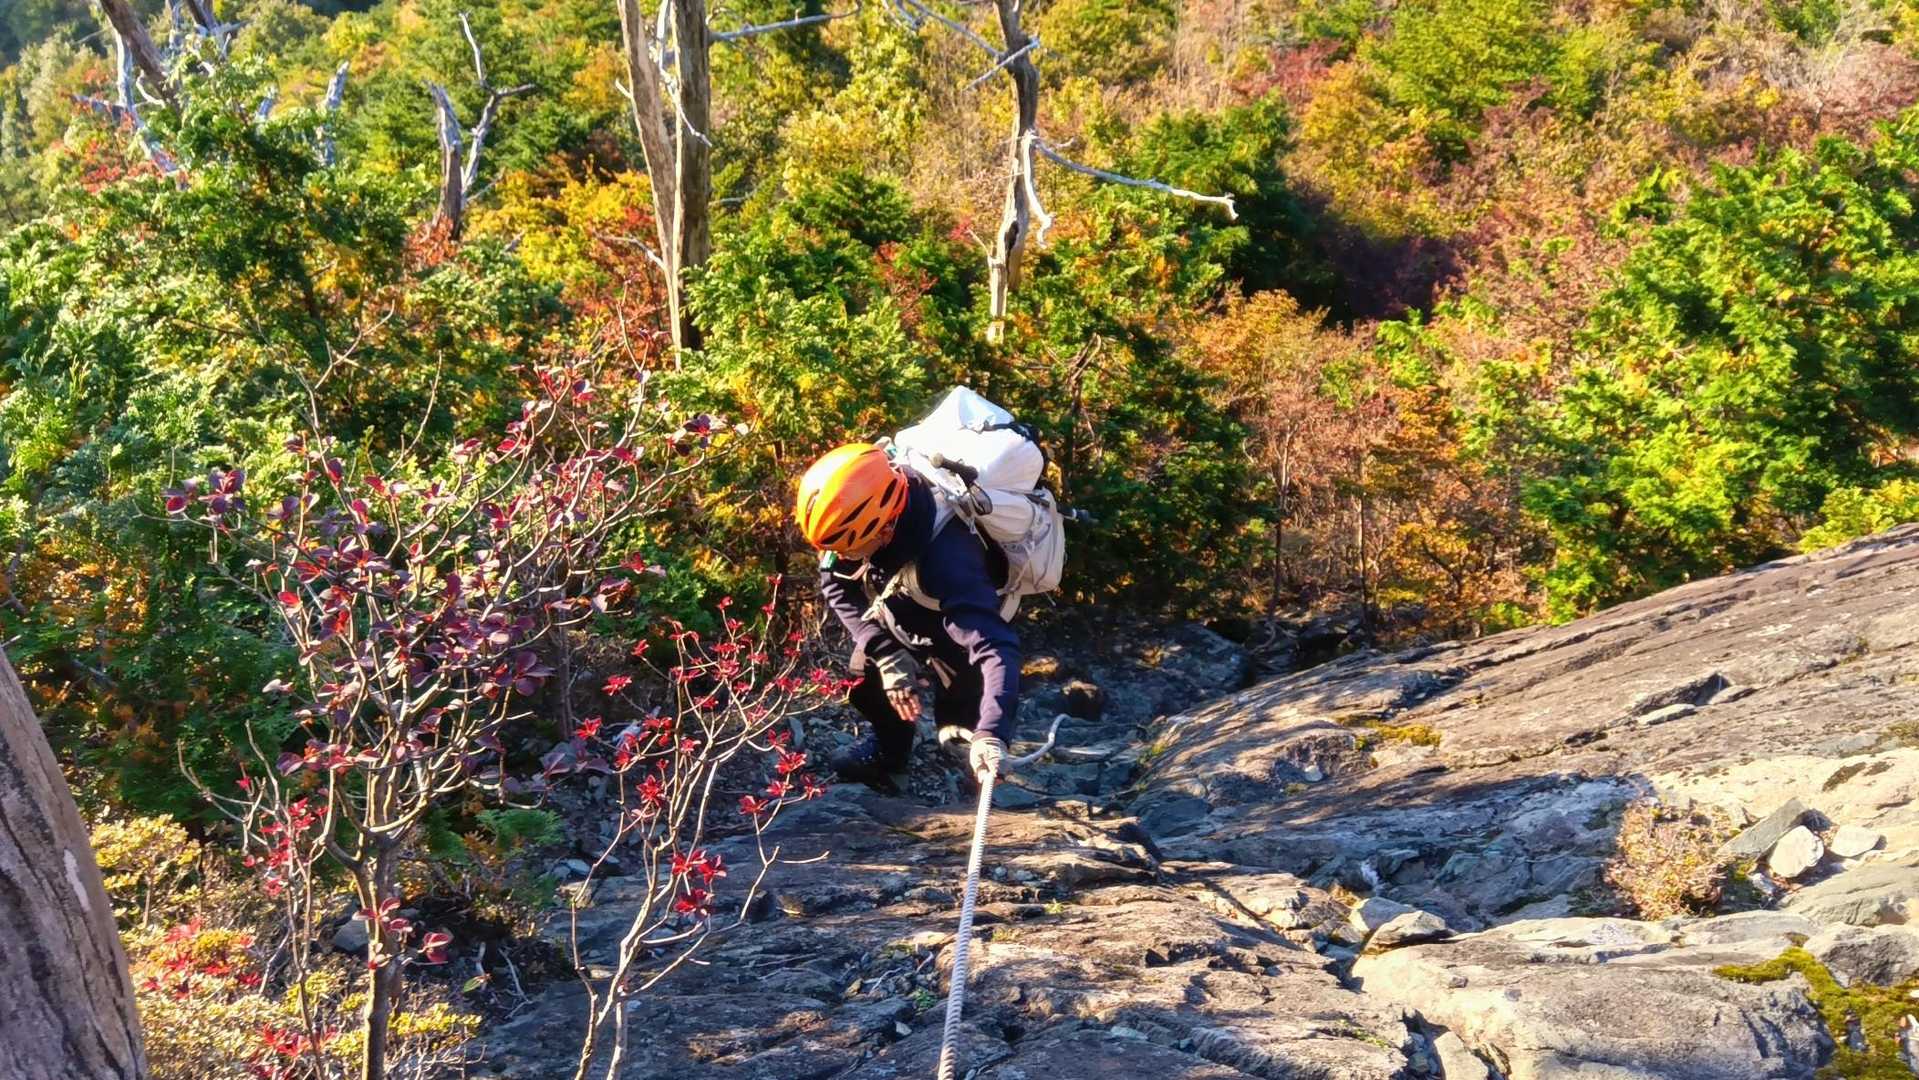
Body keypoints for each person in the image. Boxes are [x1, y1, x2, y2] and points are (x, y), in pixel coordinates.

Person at [795, 443, 1019, 790]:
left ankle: (978, 779)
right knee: (863, 679)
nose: (843, 557)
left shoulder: (949, 560)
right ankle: (890, 757)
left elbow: (995, 647)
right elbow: (836, 584)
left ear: (885, 530)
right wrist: (886, 654)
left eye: (849, 549)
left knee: (961, 721)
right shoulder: (864, 512)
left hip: (957, 630)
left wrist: (992, 733)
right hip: (903, 609)